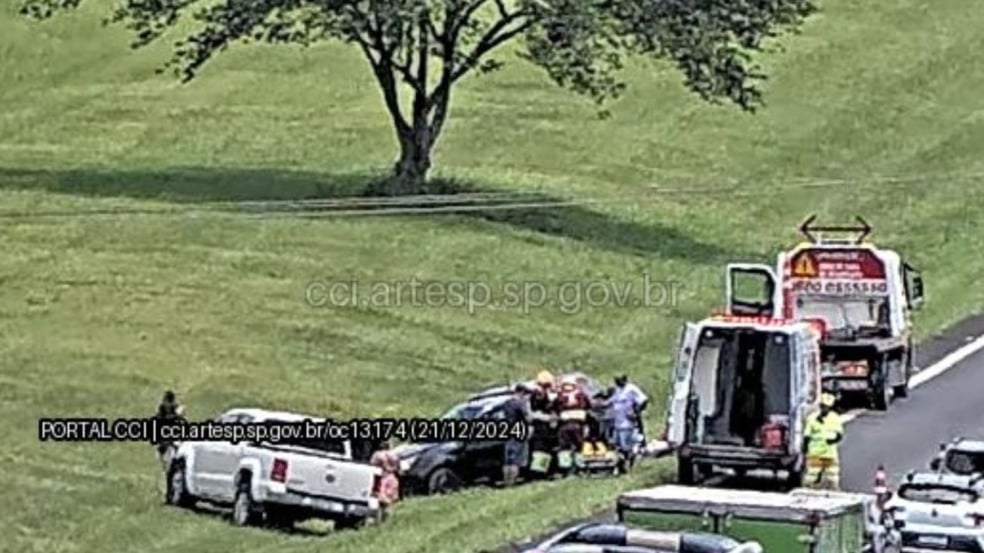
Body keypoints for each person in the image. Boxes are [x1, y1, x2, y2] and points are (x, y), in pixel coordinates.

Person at [804, 392, 844, 490]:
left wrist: (833, 440)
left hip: (830, 453)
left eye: (826, 407)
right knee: (811, 477)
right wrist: (805, 449)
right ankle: (808, 493)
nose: (824, 409)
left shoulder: (834, 418)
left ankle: (834, 492)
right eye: (823, 406)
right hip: (815, 453)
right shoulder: (812, 418)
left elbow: (839, 434)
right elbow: (807, 436)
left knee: (833, 477)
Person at [553, 377, 591, 477]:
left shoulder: (560, 397)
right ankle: (579, 468)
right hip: (577, 425)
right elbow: (588, 406)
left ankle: (566, 469)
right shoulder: (582, 396)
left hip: (565, 425)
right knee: (578, 447)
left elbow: (554, 408)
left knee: (565, 448)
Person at [609, 375, 647, 465]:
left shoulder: (631, 389)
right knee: (617, 445)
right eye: (616, 381)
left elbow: (643, 400)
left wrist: (636, 412)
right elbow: (611, 402)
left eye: (619, 380)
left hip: (627, 423)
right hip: (617, 423)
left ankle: (631, 462)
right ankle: (622, 464)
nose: (617, 382)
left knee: (627, 446)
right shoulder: (617, 390)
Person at [528, 372, 558, 477]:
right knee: (540, 450)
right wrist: (549, 417)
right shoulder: (537, 394)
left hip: (545, 427)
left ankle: (543, 471)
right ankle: (538, 472)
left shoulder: (543, 394)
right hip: (540, 427)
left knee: (545, 451)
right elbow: (535, 412)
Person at [501, 384, 531, 486]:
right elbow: (528, 418)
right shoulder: (520, 404)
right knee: (517, 459)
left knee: (508, 459)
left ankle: (506, 481)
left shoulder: (506, 403)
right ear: (522, 393)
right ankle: (512, 482)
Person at [153, 390, 185, 472]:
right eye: (165, 401)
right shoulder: (161, 410)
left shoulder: (176, 408)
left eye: (168, 402)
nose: (167, 404)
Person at [370, 439, 400, 521]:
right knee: (389, 502)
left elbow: (372, 465)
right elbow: (399, 468)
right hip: (392, 478)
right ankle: (387, 520)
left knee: (381, 502)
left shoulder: (377, 455)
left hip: (382, 478)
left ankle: (379, 520)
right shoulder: (395, 455)